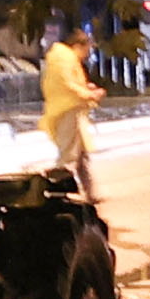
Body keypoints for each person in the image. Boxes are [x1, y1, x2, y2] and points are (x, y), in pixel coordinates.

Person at [41, 26, 100, 184]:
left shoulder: (64, 58)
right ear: (77, 46)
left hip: (68, 107)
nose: (87, 54)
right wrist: (89, 94)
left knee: (79, 153)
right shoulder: (65, 58)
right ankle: (56, 185)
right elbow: (67, 83)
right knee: (68, 152)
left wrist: (86, 88)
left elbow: (68, 82)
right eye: (86, 50)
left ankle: (88, 191)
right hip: (66, 108)